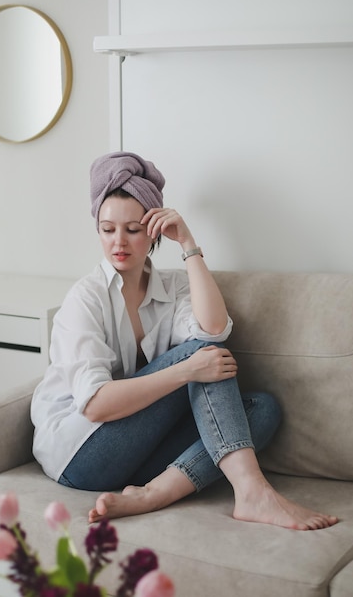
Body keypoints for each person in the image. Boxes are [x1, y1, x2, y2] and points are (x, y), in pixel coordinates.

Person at [31, 151, 338, 531]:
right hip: (80, 454)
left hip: (135, 453)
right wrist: (186, 371)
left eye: (132, 228)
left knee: (263, 408)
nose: (118, 242)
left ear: (153, 229)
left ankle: (153, 494)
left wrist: (189, 244)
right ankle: (253, 492)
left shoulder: (173, 287)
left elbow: (214, 331)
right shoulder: (86, 297)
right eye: (107, 229)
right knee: (200, 357)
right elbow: (96, 406)